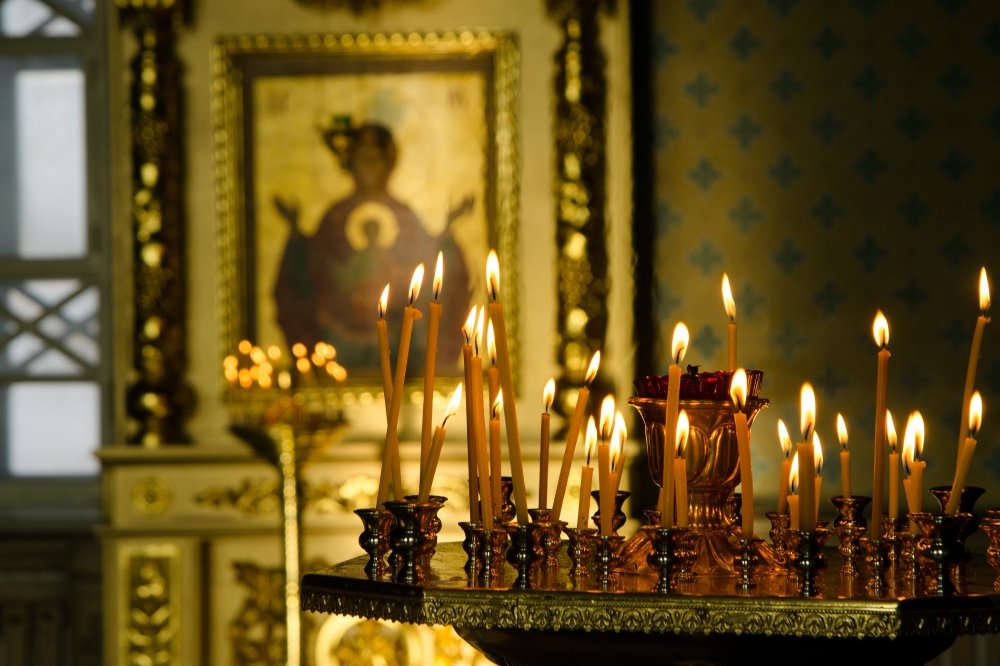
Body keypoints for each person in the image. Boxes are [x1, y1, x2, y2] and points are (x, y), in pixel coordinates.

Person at [272, 119, 472, 375]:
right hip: (338, 339)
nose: (369, 167)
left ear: (388, 164)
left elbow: (433, 269)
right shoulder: (335, 217)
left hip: (398, 341)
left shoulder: (404, 216)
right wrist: (295, 234)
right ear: (350, 164)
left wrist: (447, 233)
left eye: (375, 158)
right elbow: (310, 272)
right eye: (362, 158)